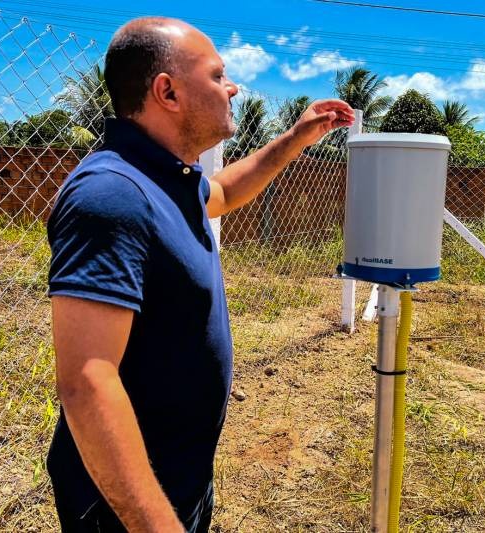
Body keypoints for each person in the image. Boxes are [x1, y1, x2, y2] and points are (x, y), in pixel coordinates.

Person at [45, 16, 354, 533]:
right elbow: (85, 383)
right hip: (125, 506)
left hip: (177, 478)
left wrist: (297, 137)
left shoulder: (167, 177)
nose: (232, 86)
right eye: (216, 75)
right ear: (167, 92)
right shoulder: (113, 193)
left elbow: (226, 192)